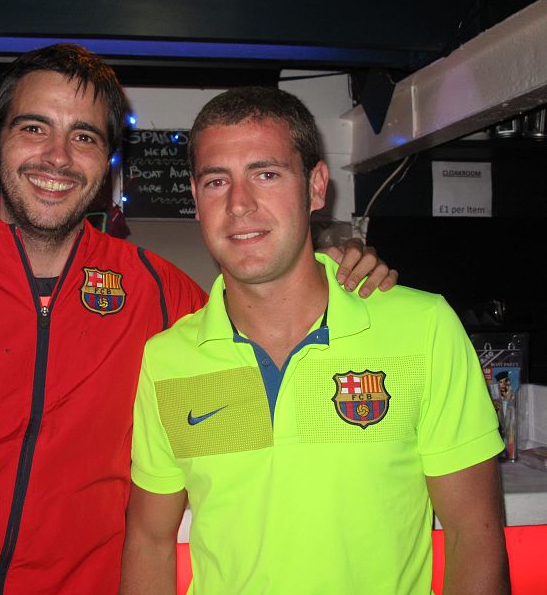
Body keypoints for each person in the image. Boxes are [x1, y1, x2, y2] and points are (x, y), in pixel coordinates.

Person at [0, 46, 395, 595]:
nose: (57, 156)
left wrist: (337, 271)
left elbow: (247, 454)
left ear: (108, 161)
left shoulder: (162, 298)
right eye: (34, 128)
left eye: (84, 136)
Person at [121, 87, 509, 594]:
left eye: (266, 174)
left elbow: (474, 534)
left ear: (316, 186)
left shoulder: (423, 328)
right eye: (217, 181)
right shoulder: (170, 358)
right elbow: (149, 540)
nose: (239, 204)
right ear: (195, 199)